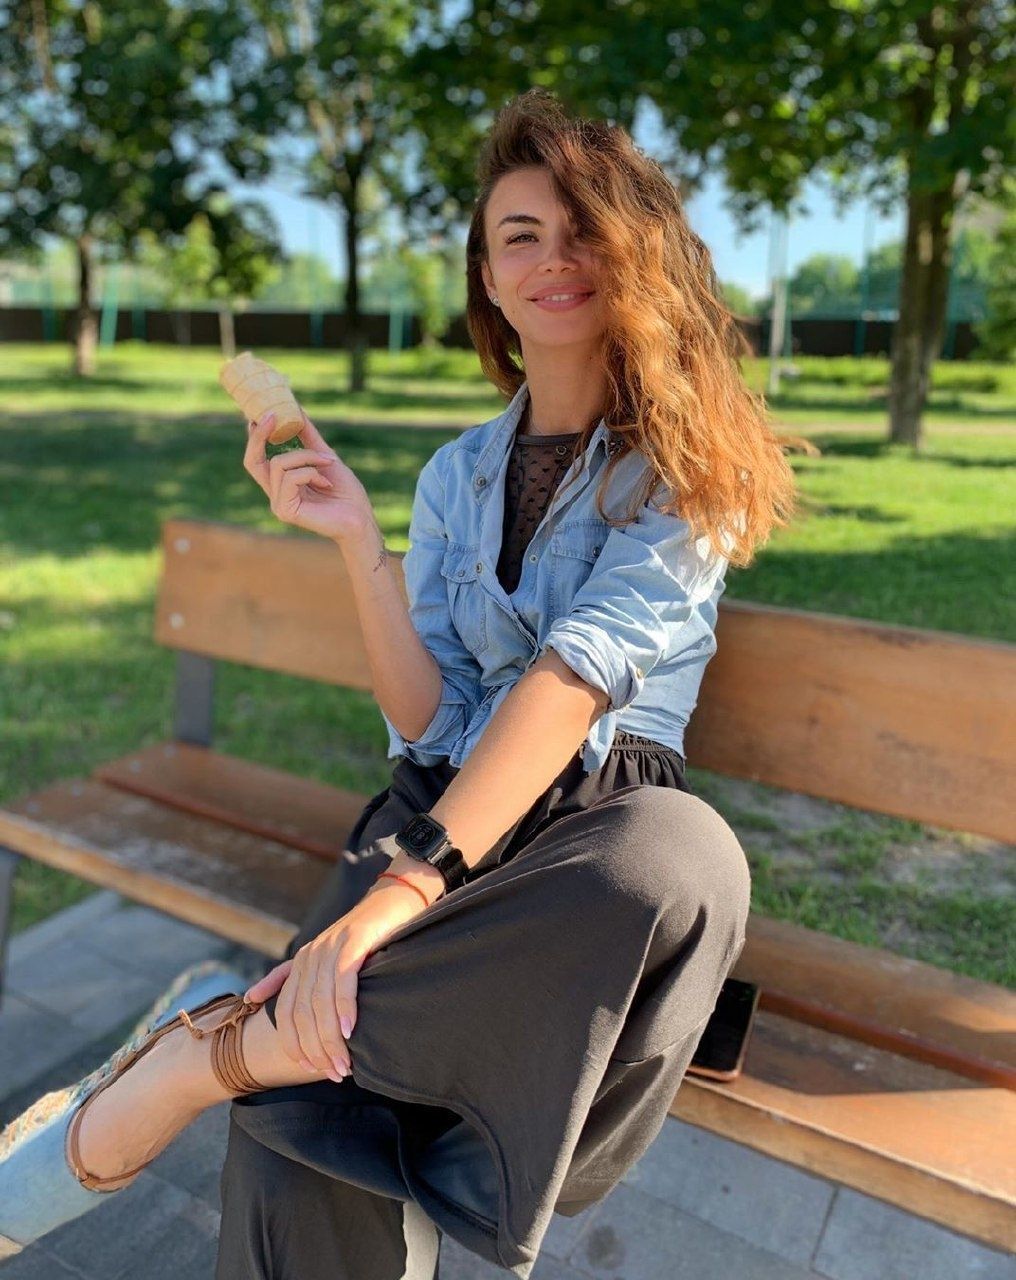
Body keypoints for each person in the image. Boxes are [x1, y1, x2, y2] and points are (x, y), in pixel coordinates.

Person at [0, 87, 798, 1276]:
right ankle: (266, 1046)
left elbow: (574, 678)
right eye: (519, 235)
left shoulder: (684, 464)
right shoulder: (454, 476)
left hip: (575, 859)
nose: (552, 258)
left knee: (683, 859)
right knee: (298, 1145)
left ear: (634, 254)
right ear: (487, 277)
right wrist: (358, 545)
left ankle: (212, 1046)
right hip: (442, 810)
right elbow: (432, 723)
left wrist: (399, 893)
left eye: (581, 230)